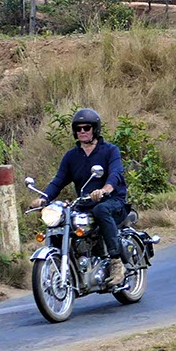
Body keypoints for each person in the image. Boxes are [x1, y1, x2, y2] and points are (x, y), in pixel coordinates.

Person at [30, 108, 130, 286]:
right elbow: (59, 180)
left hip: (112, 202)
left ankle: (116, 263)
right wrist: (43, 198)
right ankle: (71, 263)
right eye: (78, 128)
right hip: (84, 204)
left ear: (95, 129)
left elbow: (115, 174)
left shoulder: (109, 151)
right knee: (61, 217)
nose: (82, 131)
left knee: (101, 209)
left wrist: (105, 189)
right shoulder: (71, 156)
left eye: (87, 127)